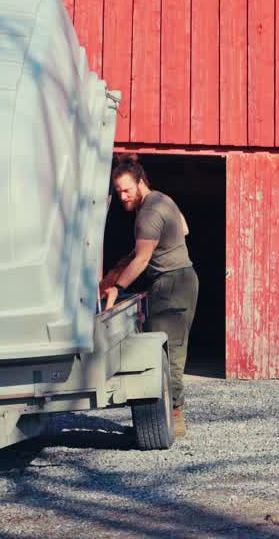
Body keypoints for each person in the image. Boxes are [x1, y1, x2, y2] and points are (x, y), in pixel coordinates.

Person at [102, 154, 198, 438]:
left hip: (171, 284)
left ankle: (174, 418)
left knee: (166, 353)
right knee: (171, 348)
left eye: (127, 189)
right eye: (118, 191)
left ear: (140, 182)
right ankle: (171, 415)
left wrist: (116, 288)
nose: (122, 196)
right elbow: (183, 228)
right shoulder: (162, 199)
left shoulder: (147, 213)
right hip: (184, 279)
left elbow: (142, 259)